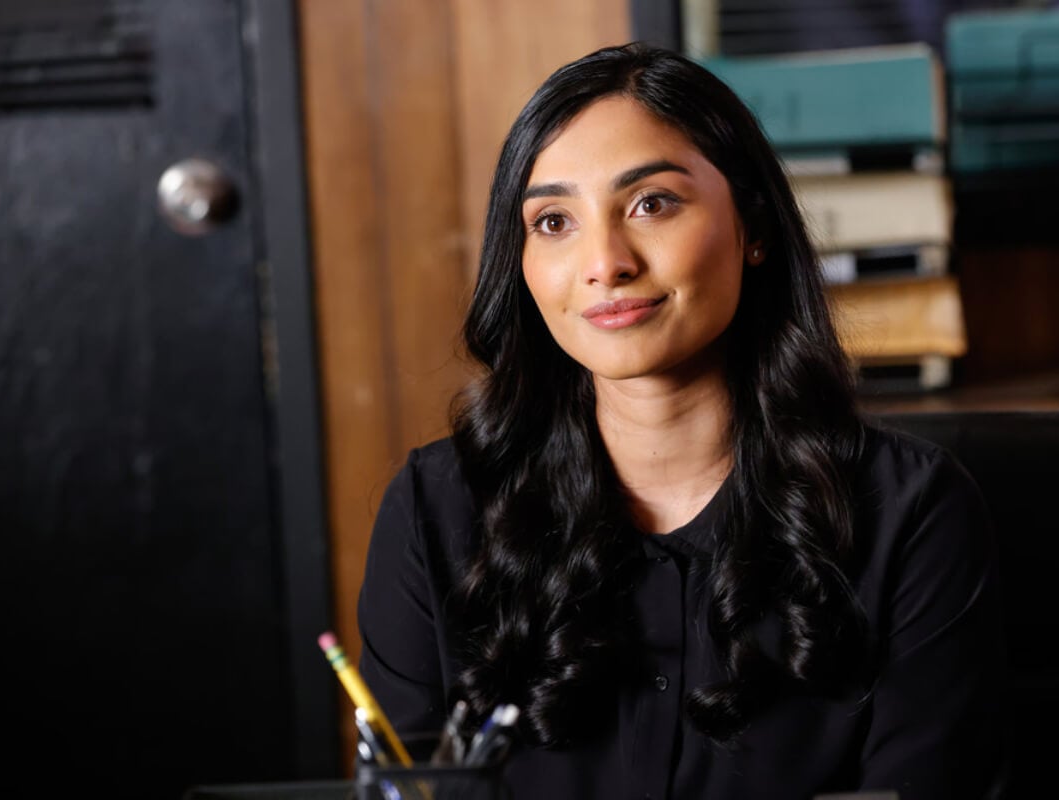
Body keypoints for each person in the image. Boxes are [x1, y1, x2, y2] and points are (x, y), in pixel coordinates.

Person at [357, 42, 1007, 800]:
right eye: (554, 220)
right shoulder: (436, 511)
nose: (606, 262)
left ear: (753, 226)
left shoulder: (911, 514)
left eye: (652, 204)